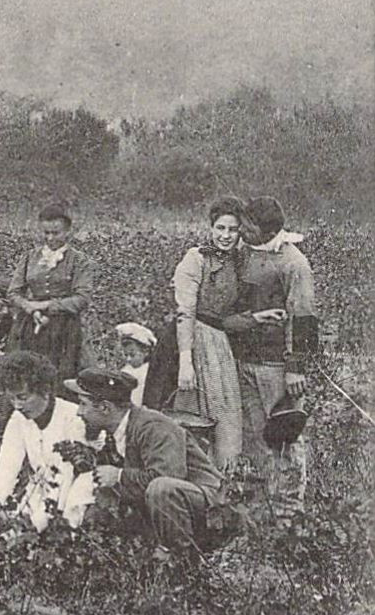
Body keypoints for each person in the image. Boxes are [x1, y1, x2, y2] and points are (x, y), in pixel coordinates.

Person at [65, 367, 223, 555]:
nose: (79, 412)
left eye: (83, 404)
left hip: (213, 509)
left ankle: (182, 564)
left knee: (161, 488)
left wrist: (120, 476)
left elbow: (168, 479)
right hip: (176, 514)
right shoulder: (114, 433)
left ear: (105, 408)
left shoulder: (153, 427)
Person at [228, 196, 318, 470]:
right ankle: (260, 505)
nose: (241, 231)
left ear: (268, 231)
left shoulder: (293, 263)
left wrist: (295, 368)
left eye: (248, 227)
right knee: (253, 439)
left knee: (284, 439)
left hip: (275, 368)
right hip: (245, 363)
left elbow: (303, 316)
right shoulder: (244, 253)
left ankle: (289, 509)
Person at [166, 196, 249, 470]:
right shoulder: (196, 258)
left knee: (225, 419)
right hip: (191, 339)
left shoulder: (242, 259)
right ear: (211, 228)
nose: (226, 236)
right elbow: (185, 311)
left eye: (232, 229)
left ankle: (224, 482)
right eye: (220, 228)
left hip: (222, 344)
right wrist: (185, 362)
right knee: (188, 415)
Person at [0, 352, 93, 531]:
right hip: (39, 493)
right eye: (11, 398)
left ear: (44, 390)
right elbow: (6, 466)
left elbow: (65, 478)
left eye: (22, 397)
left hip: (71, 497)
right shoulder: (18, 419)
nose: (17, 406)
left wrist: (35, 524)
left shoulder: (72, 419)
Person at [5, 203, 95, 380]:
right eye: (46, 233)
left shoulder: (79, 261)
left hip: (64, 327)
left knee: (60, 375)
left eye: (56, 233)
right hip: (29, 325)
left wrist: (47, 305)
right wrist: (29, 307)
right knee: (26, 374)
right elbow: (13, 292)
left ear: (68, 231)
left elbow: (82, 299)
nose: (50, 238)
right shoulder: (29, 257)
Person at [115, 322, 156, 406]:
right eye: (126, 355)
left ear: (146, 351)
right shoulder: (125, 371)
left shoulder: (151, 372)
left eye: (132, 355)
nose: (128, 359)